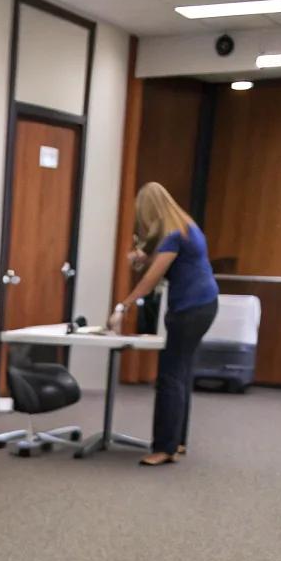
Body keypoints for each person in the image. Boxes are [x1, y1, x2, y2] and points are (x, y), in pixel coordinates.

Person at [109, 182, 218, 466]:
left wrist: (123, 306)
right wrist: (142, 257)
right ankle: (177, 441)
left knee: (170, 376)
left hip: (189, 310)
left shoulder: (173, 236)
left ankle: (163, 448)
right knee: (181, 373)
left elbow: (150, 279)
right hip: (205, 304)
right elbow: (160, 263)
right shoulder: (187, 227)